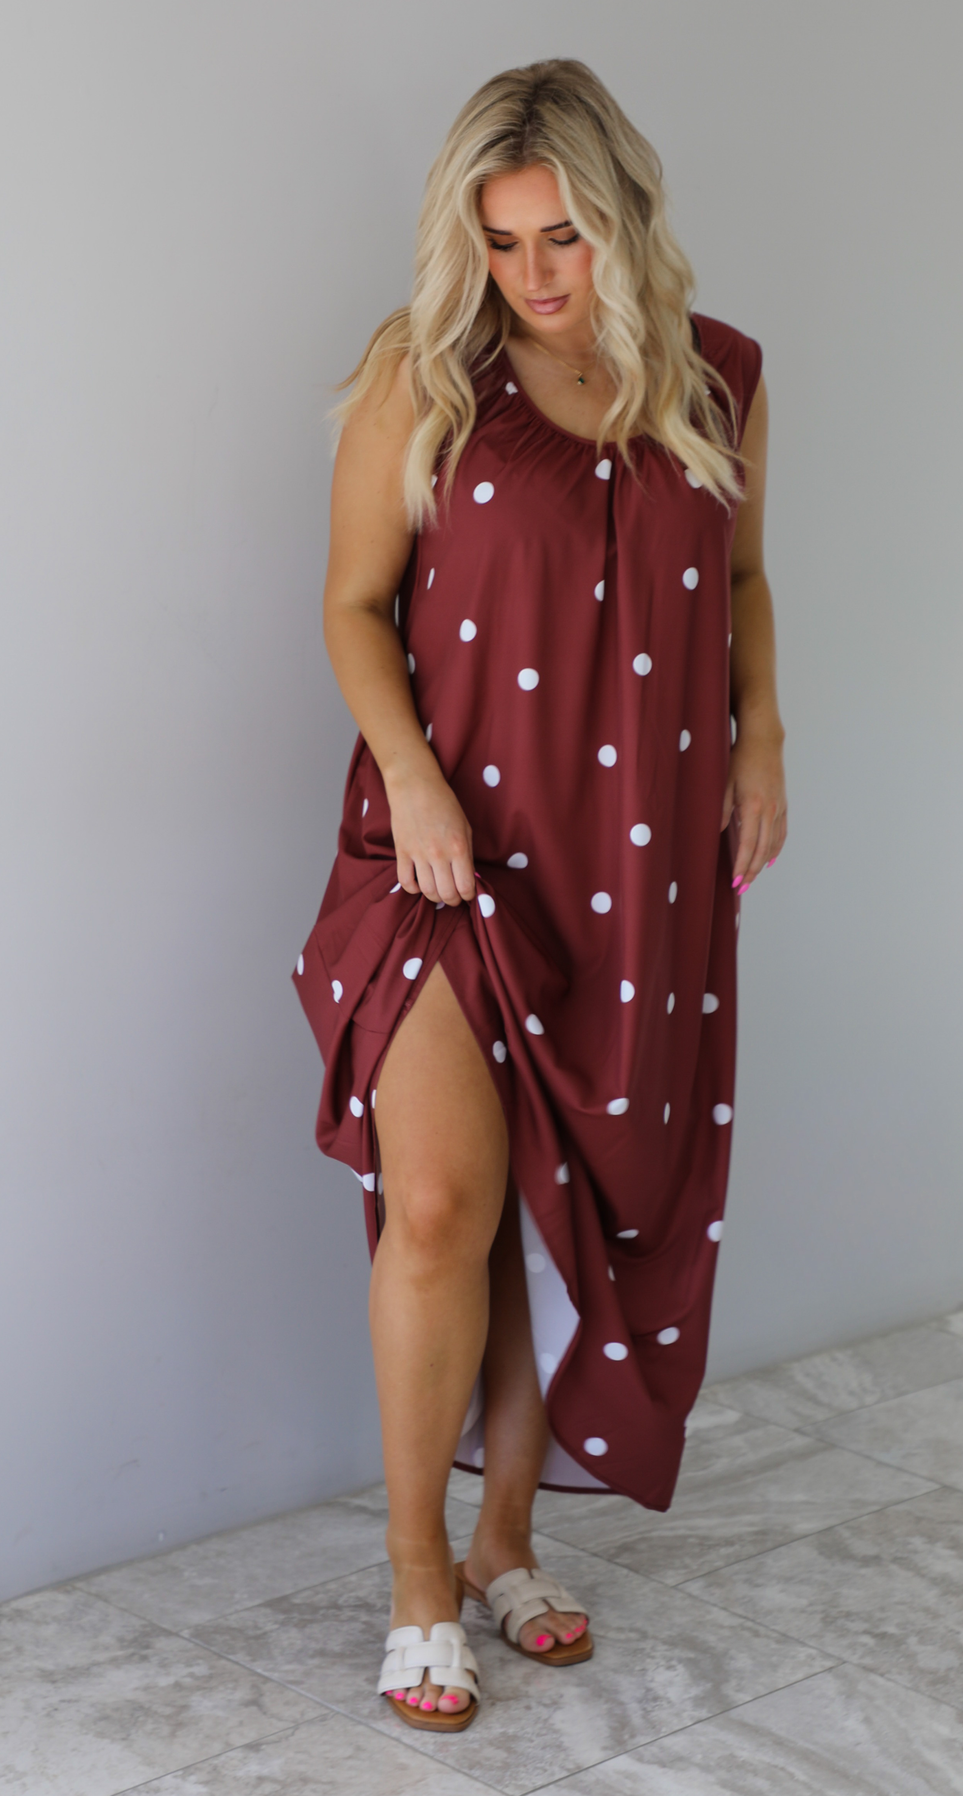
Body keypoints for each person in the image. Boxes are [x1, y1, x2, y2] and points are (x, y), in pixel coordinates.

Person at [293, 57, 786, 1732]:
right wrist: (413, 780)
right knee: (442, 1202)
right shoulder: (422, 376)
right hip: (440, 857)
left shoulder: (717, 384)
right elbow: (357, 606)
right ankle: (421, 1572)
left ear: (623, 218)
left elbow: (743, 573)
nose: (533, 273)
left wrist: (760, 734)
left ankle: (511, 1543)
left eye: (561, 235)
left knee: (565, 1205)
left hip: (635, 853)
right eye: (502, 242)